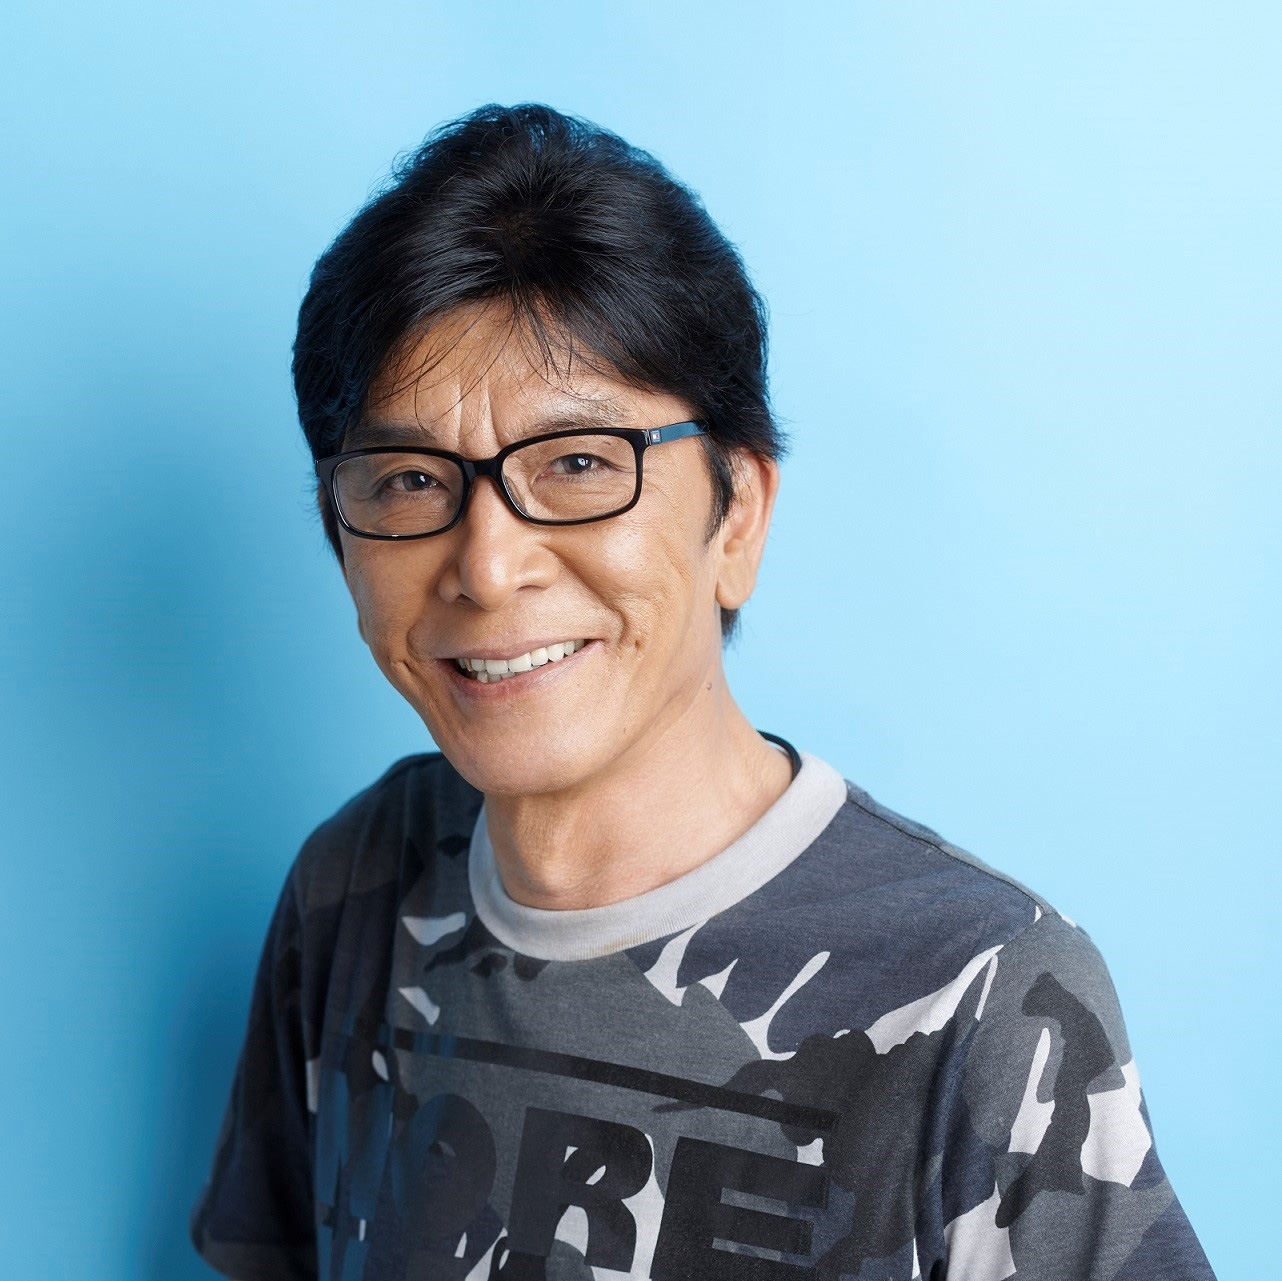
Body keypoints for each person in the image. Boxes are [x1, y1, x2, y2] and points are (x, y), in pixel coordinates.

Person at [190, 103, 1215, 1281]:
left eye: (579, 464)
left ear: (738, 517)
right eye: (411, 480)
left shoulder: (983, 995)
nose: (487, 566)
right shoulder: (357, 881)